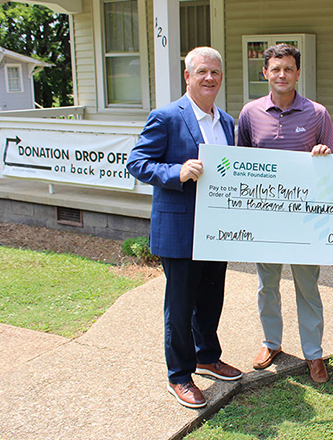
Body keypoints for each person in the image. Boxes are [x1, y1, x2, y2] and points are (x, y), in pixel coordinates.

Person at [127, 47, 242, 409]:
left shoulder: (225, 121)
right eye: (203, 72)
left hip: (216, 229)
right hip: (180, 230)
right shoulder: (165, 117)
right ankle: (179, 375)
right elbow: (137, 162)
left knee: (211, 298)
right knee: (179, 307)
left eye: (216, 73)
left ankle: (207, 355)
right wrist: (174, 172)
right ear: (188, 77)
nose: (210, 78)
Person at [237, 43, 333, 383]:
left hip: (306, 220)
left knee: (307, 287)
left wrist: (323, 152)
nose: (282, 74)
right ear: (265, 72)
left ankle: (314, 354)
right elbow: (242, 165)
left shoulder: (317, 113)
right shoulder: (249, 113)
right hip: (267, 218)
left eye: (288, 68)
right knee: (267, 285)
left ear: (297, 72)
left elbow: (331, 170)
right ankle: (271, 342)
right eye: (275, 69)